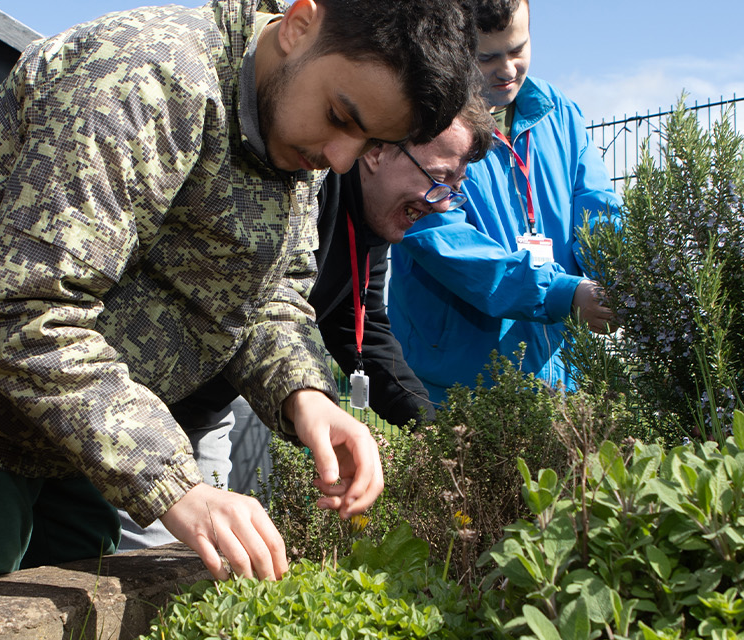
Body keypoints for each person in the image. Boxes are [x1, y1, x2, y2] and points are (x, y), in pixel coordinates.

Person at [0, 0, 480, 591]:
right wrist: (174, 483)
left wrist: (307, 396)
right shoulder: (141, 82)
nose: (342, 158)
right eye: (341, 118)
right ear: (298, 27)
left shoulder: (301, 139)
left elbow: (272, 299)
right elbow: (30, 315)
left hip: (83, 440)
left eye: (370, 141)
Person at [123, 109, 499, 550]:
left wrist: (434, 429)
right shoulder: (302, 190)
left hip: (203, 413)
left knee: (187, 565)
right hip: (135, 405)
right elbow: (259, 310)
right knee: (130, 567)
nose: (440, 203)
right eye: (437, 178)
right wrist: (307, 399)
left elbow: (362, 329)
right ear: (377, 151)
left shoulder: (373, 224)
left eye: (454, 188)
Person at [388, 0, 621, 398]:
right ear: (452, 45)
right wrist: (565, 294)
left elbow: (597, 207)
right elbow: (451, 247)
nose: (508, 69)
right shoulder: (422, 128)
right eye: (488, 57)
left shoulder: (562, 114)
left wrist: (621, 277)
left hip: (559, 370)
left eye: (519, 48)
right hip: (458, 383)